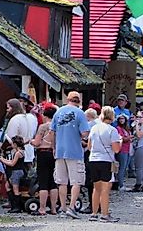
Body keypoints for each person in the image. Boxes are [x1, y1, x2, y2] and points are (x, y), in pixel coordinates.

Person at [52, 90, 91, 219]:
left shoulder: (58, 112)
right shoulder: (80, 113)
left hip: (60, 151)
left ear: (67, 99)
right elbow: (85, 133)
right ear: (78, 100)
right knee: (76, 181)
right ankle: (72, 207)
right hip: (74, 151)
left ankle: (62, 207)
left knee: (61, 181)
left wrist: (54, 148)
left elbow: (53, 132)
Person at [87, 106, 121, 222]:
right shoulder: (112, 130)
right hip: (106, 160)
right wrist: (120, 142)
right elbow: (116, 149)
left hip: (93, 159)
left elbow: (89, 146)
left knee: (96, 188)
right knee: (105, 188)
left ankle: (94, 212)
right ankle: (105, 214)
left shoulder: (94, 128)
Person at [30, 105, 59, 216]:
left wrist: (30, 142)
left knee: (43, 181)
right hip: (54, 153)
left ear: (45, 115)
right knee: (53, 182)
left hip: (43, 153)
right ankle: (53, 208)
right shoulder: (57, 126)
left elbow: (37, 142)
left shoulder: (43, 127)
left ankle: (42, 208)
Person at [0, 135, 27, 213]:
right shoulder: (21, 152)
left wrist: (3, 161)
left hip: (16, 172)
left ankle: (17, 206)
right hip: (18, 171)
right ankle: (13, 204)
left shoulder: (18, 153)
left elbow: (12, 163)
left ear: (15, 144)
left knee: (15, 189)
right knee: (7, 185)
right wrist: (4, 159)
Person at [131, 110, 143, 192]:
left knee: (138, 167)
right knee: (142, 167)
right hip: (137, 146)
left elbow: (139, 135)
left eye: (140, 117)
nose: (138, 119)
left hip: (141, 146)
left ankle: (138, 184)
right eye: (137, 117)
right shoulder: (139, 126)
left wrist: (136, 125)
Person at [115, 114, 133, 190]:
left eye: (123, 119)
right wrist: (130, 137)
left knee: (124, 167)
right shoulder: (118, 128)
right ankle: (120, 185)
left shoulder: (126, 129)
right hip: (122, 150)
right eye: (120, 119)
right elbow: (122, 139)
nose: (121, 120)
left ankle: (121, 183)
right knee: (122, 168)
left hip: (128, 149)